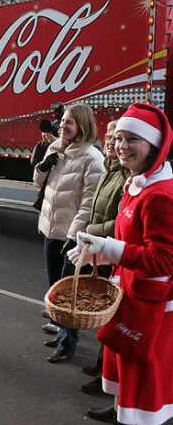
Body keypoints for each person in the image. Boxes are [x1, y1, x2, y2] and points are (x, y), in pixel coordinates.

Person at [69, 103, 173, 425]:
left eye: (132, 140)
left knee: (141, 372)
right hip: (128, 288)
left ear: (153, 147)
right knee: (122, 359)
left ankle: (132, 417)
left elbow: (163, 259)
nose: (121, 147)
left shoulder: (160, 196)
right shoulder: (135, 182)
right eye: (119, 139)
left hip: (150, 302)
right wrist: (96, 253)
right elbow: (130, 241)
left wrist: (109, 248)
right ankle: (118, 411)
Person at [59, 121, 125, 397]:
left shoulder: (123, 177)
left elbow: (118, 223)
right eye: (110, 137)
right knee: (110, 317)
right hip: (100, 247)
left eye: (118, 139)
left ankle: (106, 378)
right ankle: (101, 367)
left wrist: (91, 234)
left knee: (112, 316)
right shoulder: (110, 171)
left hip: (108, 250)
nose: (111, 143)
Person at [33, 103, 104, 361]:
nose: (62, 125)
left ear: (82, 126)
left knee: (68, 293)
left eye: (69, 122)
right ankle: (63, 333)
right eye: (62, 121)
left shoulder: (92, 158)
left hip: (71, 237)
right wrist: (43, 165)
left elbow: (89, 203)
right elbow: (39, 183)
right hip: (51, 229)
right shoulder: (56, 149)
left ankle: (68, 345)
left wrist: (74, 236)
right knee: (55, 288)